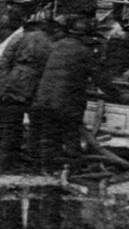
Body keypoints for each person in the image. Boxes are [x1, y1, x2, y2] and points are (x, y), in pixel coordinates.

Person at [30, 18, 96, 180]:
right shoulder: (85, 52)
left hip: (44, 99)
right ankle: (75, 169)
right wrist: (119, 95)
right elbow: (100, 77)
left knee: (48, 135)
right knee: (71, 135)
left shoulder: (55, 46)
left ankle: (46, 169)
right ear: (85, 36)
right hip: (67, 102)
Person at [0, 12, 50, 170]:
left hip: (10, 83)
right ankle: (32, 160)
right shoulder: (49, 40)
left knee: (8, 125)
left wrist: (0, 88)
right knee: (36, 124)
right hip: (32, 85)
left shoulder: (18, 37)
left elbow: (3, 62)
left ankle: (2, 160)